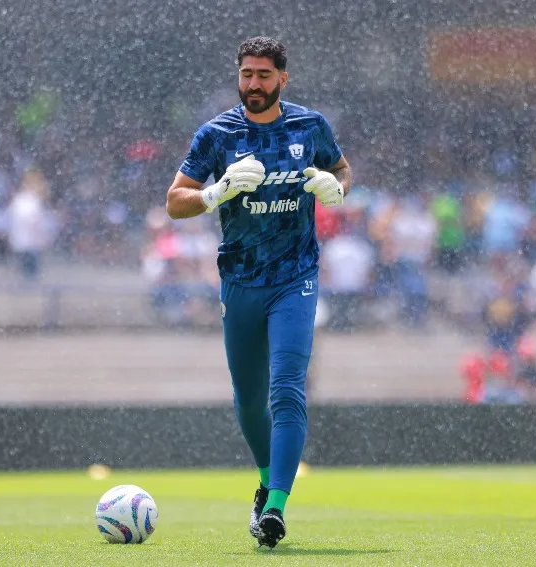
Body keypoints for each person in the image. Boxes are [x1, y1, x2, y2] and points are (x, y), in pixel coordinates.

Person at [165, 36, 351, 548]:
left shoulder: (309, 126)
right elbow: (174, 202)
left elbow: (340, 169)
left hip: (295, 279)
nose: (253, 84)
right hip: (240, 281)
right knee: (248, 400)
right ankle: (266, 479)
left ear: (283, 79)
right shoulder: (218, 133)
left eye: (264, 75)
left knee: (286, 387)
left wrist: (335, 188)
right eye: (246, 74)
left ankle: (275, 508)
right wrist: (214, 192)